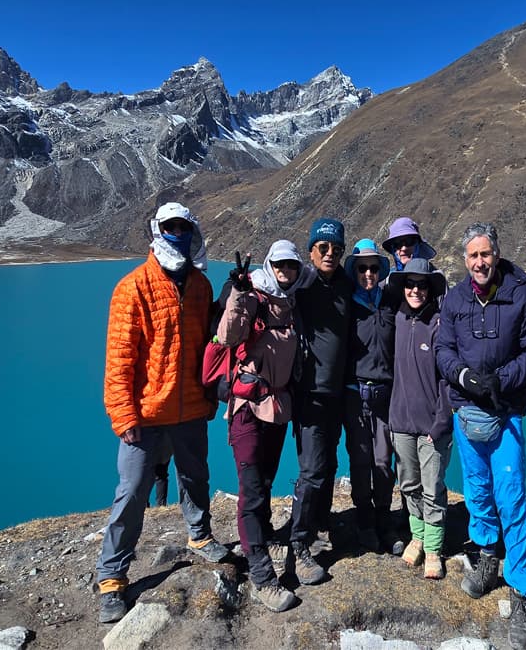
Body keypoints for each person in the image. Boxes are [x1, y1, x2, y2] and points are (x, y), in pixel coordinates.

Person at [96, 203, 228, 624]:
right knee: (132, 491)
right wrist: (124, 416)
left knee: (196, 476)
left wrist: (208, 397)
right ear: (157, 231)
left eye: (184, 228)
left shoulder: (201, 286)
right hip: (147, 414)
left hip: (190, 406)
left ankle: (199, 535)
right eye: (170, 228)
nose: (178, 235)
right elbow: (119, 362)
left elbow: (211, 344)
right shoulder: (132, 287)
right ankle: (112, 576)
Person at [435, 222, 526, 650]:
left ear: (496, 255)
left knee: (512, 498)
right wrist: (465, 376)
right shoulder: (456, 299)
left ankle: (521, 590)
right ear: (464, 261)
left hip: (505, 414)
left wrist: (501, 379)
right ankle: (486, 559)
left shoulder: (520, 294)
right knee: (477, 492)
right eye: (472, 256)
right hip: (468, 411)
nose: (479, 262)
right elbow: (444, 350)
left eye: (485, 254)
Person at [214, 239, 315, 612]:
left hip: (277, 406)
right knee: (252, 490)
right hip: (248, 408)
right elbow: (227, 335)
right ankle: (261, 576)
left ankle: (262, 535)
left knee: (266, 481)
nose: (286, 272)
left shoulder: (291, 302)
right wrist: (239, 294)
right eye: (280, 265)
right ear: (271, 266)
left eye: (291, 266)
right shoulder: (254, 296)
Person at [289, 217, 352, 584]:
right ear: (311, 250)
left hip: (339, 392)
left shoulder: (346, 284)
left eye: (335, 249)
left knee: (329, 464)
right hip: (309, 394)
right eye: (323, 248)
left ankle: (321, 522)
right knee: (311, 470)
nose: (330, 254)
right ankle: (298, 543)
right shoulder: (302, 283)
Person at [387, 257, 453, 580]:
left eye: (422, 285)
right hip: (400, 421)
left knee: (432, 488)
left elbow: (447, 380)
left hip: (431, 426)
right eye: (410, 284)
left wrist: (442, 421)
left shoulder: (440, 324)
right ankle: (417, 537)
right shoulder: (397, 319)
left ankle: (434, 549)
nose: (415, 290)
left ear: (430, 289)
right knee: (409, 485)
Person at [341, 239, 400, 554]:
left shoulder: (390, 302)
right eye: (362, 268)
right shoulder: (348, 304)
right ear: (355, 270)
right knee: (360, 460)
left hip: (384, 395)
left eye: (373, 268)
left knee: (383, 461)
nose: (368, 273)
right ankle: (365, 522)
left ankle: (384, 520)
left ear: (380, 271)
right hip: (354, 395)